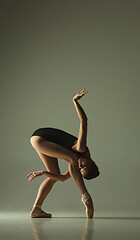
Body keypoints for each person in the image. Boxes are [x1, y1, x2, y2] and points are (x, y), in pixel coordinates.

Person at [26, 89, 100, 218]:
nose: (80, 165)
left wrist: (43, 172)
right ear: (92, 161)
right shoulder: (81, 148)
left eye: (80, 169)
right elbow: (84, 121)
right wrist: (75, 101)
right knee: (72, 157)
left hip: (41, 142)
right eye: (84, 166)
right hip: (41, 137)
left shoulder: (75, 165)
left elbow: (62, 178)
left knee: (53, 174)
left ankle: (36, 209)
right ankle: (86, 197)